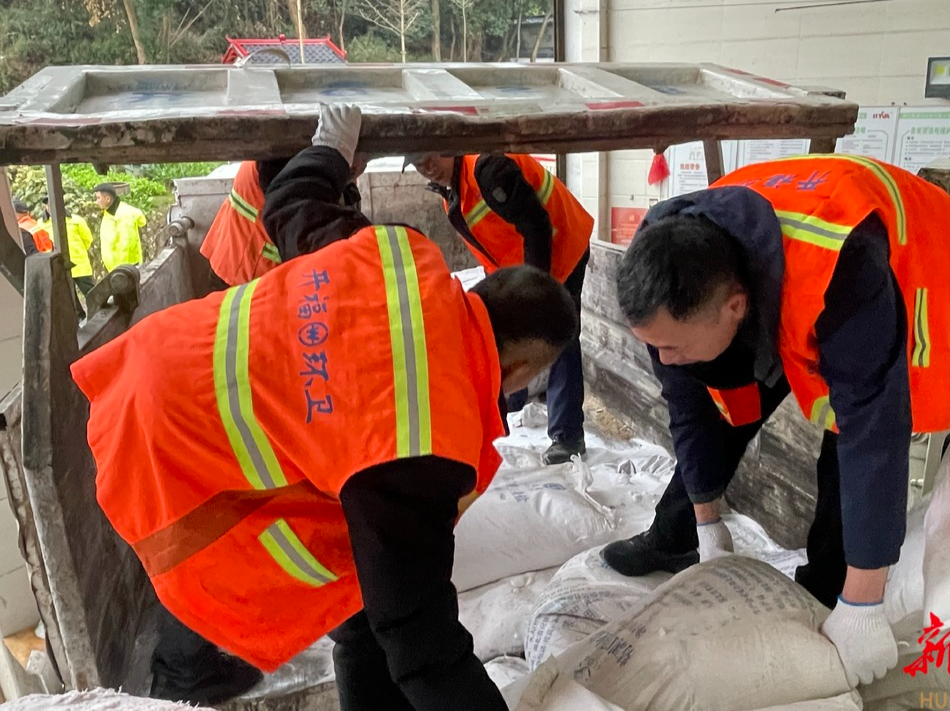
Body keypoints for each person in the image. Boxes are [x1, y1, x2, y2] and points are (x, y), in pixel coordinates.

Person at [71, 104, 578, 711]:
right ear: (521, 370)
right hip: (175, 447)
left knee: (359, 601)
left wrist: (331, 151)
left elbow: (288, 203)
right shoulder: (430, 436)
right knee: (214, 620)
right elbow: (421, 639)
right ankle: (184, 681)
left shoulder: (401, 257)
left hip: (158, 358)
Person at [600, 155, 950, 687]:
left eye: (671, 346)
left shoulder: (846, 271)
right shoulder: (663, 259)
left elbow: (872, 429)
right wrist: (707, 525)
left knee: (846, 433)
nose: (664, 359)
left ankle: (832, 589)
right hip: (772, 265)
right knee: (721, 403)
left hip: (898, 246)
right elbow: (689, 407)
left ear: (735, 308)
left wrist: (865, 601)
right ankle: (677, 533)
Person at [403, 151, 594, 465]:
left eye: (430, 158)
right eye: (418, 164)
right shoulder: (451, 190)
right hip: (520, 265)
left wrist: (538, 291)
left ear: (449, 147)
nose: (426, 168)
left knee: (558, 336)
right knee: (506, 332)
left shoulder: (488, 170)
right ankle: (514, 399)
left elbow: (538, 227)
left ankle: (568, 436)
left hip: (563, 248)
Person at [199, 154, 370, 289]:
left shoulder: (314, 158)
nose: (361, 165)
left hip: (250, 270)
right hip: (246, 275)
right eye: (360, 159)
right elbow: (314, 235)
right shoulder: (280, 164)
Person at [41, 197, 96, 297]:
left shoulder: (76, 220)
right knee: (69, 299)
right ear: (45, 207)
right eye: (49, 206)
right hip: (59, 267)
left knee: (92, 294)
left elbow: (87, 239)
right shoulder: (41, 224)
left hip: (79, 265)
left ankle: (99, 311)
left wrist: (78, 251)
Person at [94, 183, 146, 271]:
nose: (96, 201)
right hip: (116, 268)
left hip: (126, 268)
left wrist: (122, 270)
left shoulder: (124, 215)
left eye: (99, 198)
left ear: (107, 199)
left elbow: (126, 245)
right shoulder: (109, 213)